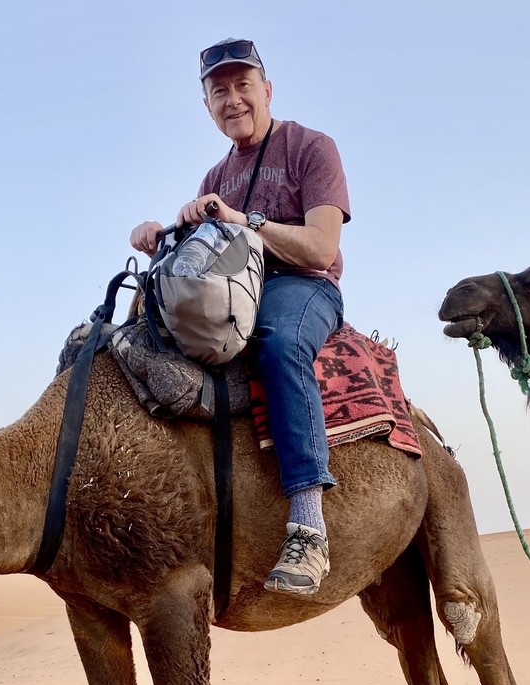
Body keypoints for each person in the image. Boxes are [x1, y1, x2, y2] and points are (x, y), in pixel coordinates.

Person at [129, 38, 350, 595]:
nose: (233, 99)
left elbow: (322, 248)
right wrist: (163, 240)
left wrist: (243, 221)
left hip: (301, 287)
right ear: (207, 107)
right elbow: (202, 263)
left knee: (277, 344)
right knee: (140, 332)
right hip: (230, 297)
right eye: (219, 91)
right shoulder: (212, 178)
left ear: (267, 90)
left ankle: (308, 523)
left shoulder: (311, 148)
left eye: (242, 85)